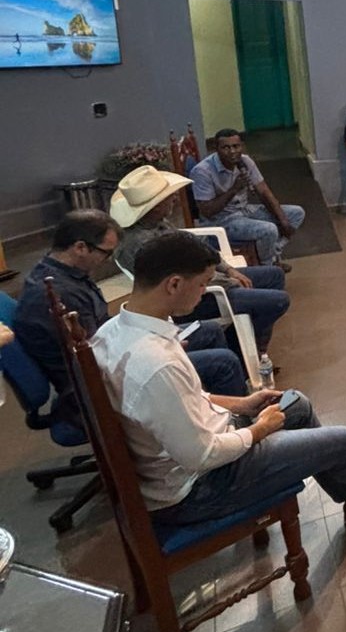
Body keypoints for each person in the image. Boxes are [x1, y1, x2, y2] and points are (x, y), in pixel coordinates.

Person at [93, 232, 346, 526]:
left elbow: (181, 401)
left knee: (296, 404)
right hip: (199, 487)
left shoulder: (114, 331)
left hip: (200, 447)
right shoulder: (156, 364)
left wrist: (241, 403)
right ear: (174, 284)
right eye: (202, 284)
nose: (203, 292)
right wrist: (259, 429)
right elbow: (201, 455)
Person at [13, 211, 245, 433]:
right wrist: (153, 347)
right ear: (80, 247)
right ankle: (231, 432)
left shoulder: (65, 276)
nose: (109, 261)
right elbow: (97, 359)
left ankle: (205, 413)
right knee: (222, 363)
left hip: (108, 358)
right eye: (106, 253)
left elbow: (103, 338)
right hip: (94, 389)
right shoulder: (57, 295)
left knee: (209, 330)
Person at [110, 165, 291, 351]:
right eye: (168, 197)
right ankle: (241, 350)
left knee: (274, 275)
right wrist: (229, 282)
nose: (174, 199)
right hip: (198, 296)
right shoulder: (138, 245)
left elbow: (197, 248)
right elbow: (178, 282)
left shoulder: (158, 223)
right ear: (155, 207)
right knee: (278, 301)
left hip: (209, 280)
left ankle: (253, 345)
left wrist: (229, 269)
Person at [190, 130, 306, 272]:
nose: (232, 151)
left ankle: (272, 253)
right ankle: (267, 268)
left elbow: (264, 192)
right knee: (269, 230)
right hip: (221, 220)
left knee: (296, 213)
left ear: (242, 146)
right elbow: (207, 211)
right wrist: (234, 189)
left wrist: (283, 220)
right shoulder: (202, 171)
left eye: (236, 146)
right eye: (226, 147)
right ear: (216, 149)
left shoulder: (245, 161)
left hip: (244, 210)